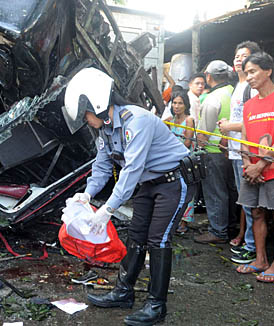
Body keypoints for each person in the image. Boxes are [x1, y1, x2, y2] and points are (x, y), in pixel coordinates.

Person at [63, 67, 198, 326]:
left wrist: (109, 208)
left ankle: (157, 306)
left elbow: (132, 168)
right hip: (150, 183)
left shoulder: (137, 121)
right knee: (136, 235)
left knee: (157, 239)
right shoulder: (105, 129)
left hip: (174, 181)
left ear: (98, 104)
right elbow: (102, 166)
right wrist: (87, 194)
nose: (85, 120)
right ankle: (123, 292)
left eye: (86, 114)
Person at [235, 52, 274, 283]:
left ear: (268, 71)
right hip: (252, 170)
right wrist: (247, 165)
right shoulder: (249, 104)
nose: (249, 77)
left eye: (253, 71)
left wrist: (261, 165)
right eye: (246, 72)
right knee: (256, 212)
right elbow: (244, 137)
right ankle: (260, 259)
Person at [218, 41, 261, 264]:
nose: (238, 60)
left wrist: (229, 127)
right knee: (244, 200)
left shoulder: (252, 88)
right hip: (236, 150)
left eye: (243, 56)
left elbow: (253, 122)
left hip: (247, 152)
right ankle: (249, 243)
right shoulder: (239, 85)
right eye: (236, 55)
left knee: (251, 201)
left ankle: (253, 247)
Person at [193, 60, 235, 244]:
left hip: (213, 151)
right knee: (230, 191)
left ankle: (218, 231)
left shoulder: (213, 98)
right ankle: (230, 226)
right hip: (232, 151)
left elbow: (204, 131)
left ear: (209, 77)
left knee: (215, 192)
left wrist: (197, 149)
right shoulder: (234, 92)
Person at [165, 91, 196, 234]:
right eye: (175, 103)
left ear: (186, 105)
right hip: (172, 161)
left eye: (180, 103)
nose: (177, 106)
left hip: (185, 162)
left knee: (187, 191)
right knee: (174, 190)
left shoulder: (189, 120)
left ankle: (184, 222)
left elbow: (188, 143)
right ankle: (174, 219)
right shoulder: (169, 120)